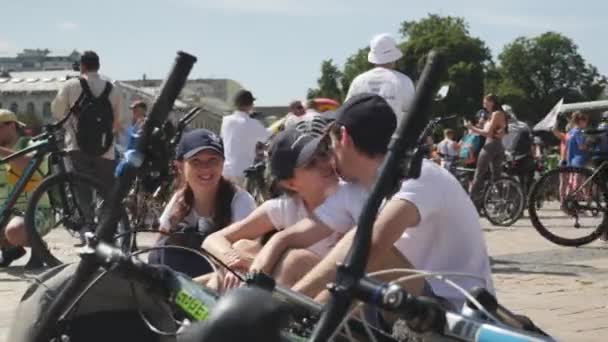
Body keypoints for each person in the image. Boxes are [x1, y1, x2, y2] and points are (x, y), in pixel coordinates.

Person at [292, 94, 494, 309]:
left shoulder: (420, 176)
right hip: (409, 302)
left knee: (363, 244)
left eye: (329, 144)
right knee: (296, 260)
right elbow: (293, 237)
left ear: (343, 136)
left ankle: (297, 317)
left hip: (453, 313)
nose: (330, 154)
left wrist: (295, 303)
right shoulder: (365, 187)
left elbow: (370, 247)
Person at [200, 116, 367, 290]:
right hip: (296, 290)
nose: (325, 164)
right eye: (311, 164)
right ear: (290, 184)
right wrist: (233, 260)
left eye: (323, 154)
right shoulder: (286, 207)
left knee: (294, 260)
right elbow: (213, 240)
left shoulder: (350, 195)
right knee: (242, 248)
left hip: (341, 292)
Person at [148, 129, 256, 278]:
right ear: (180, 166)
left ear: (223, 164)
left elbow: (248, 251)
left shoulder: (241, 201)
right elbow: (159, 244)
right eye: (196, 161)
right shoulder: (179, 199)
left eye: (213, 160)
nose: (205, 168)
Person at [51, 51, 123, 231]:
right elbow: (121, 118)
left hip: (77, 146)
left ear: (82, 65)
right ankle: (106, 229)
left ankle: (88, 226)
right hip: (105, 149)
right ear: (98, 66)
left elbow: (57, 112)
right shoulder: (112, 88)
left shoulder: (70, 85)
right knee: (106, 189)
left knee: (81, 188)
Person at [0, 109, 50, 268]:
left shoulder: (31, 144)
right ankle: (10, 249)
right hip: (5, 212)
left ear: (12, 126)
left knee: (15, 230)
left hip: (35, 212)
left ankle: (38, 248)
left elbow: (30, 165)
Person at [345, 33, 415, 123]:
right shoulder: (403, 81)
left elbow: (346, 111)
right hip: (395, 135)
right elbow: (414, 113)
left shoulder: (359, 81)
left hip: (364, 136)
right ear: (394, 56)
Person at [221, 90, 271, 187]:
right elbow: (266, 136)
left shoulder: (226, 120)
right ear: (250, 104)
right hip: (243, 171)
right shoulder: (252, 123)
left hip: (226, 169)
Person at [465, 94, 508, 208]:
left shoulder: (496, 114)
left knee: (479, 174)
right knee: (496, 176)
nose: (484, 105)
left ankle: (470, 203)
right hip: (498, 145)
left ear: (492, 102)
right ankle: (503, 203)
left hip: (490, 145)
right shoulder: (498, 114)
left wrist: (471, 127)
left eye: (485, 103)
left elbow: (488, 133)